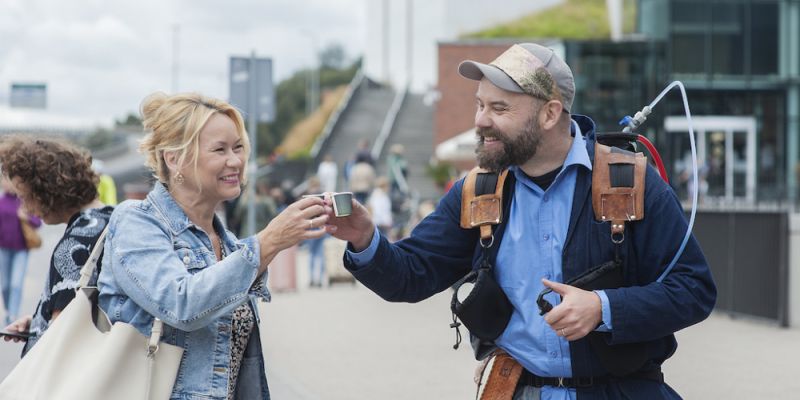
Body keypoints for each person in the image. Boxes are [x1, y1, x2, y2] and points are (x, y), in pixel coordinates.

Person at [326, 43, 716, 399]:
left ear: (550, 113)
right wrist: (364, 239)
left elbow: (694, 290)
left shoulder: (630, 181)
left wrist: (603, 307)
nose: (481, 120)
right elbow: (408, 276)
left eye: (500, 109)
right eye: (481, 105)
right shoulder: (476, 192)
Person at [96, 92, 332, 400]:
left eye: (238, 147)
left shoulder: (229, 242)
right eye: (219, 150)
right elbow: (181, 303)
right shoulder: (136, 221)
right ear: (174, 158)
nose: (235, 161)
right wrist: (269, 240)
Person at [0, 136, 112, 356]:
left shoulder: (75, 244)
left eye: (25, 196)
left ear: (45, 190)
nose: (25, 206)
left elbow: (62, 336)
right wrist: (38, 321)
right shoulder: (110, 219)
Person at [0, 174, 42, 326]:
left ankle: (12, 315)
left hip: (21, 250)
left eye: (9, 181)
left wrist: (25, 217)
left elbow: (38, 222)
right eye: (3, 181)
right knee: (5, 286)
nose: (6, 184)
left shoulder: (24, 202)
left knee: (16, 284)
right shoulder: (1, 202)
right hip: (3, 250)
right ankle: (8, 308)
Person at [303, 176, 327, 287]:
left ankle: (312, 278)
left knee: (311, 254)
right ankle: (320, 279)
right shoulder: (322, 196)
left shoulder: (307, 197)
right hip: (322, 225)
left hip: (311, 226)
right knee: (321, 254)